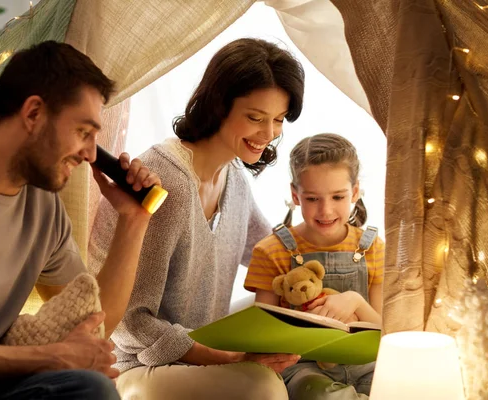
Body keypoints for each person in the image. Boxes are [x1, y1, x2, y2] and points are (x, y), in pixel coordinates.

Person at [0, 40, 161, 399]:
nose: (91, 154)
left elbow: (94, 323)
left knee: (89, 385)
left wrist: (133, 219)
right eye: (83, 132)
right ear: (33, 114)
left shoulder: (43, 207)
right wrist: (51, 356)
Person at [88, 38, 305, 400]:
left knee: (281, 314)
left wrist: (331, 243)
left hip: (197, 351)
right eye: (255, 118)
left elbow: (273, 254)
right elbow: (131, 322)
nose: (269, 135)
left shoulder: (232, 175)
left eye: (278, 120)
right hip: (135, 366)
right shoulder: (167, 181)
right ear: (219, 106)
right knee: (263, 387)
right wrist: (229, 358)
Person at [244, 133, 385, 399]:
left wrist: (355, 301)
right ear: (295, 195)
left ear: (354, 192)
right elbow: (263, 337)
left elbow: (382, 334)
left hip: (367, 367)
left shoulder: (374, 248)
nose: (325, 211)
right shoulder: (270, 251)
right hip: (304, 370)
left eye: (338, 197)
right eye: (312, 199)